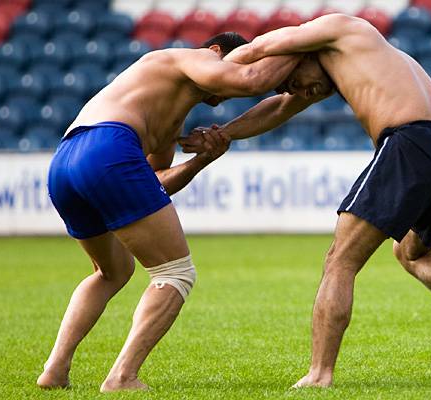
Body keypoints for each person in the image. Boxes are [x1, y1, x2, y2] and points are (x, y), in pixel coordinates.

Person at [179, 14, 431, 388]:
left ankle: (319, 373)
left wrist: (203, 76)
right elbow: (278, 108)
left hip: (409, 143)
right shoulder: (359, 58)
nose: (302, 92)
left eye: (295, 82)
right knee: (410, 252)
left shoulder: (339, 28)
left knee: (339, 261)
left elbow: (258, 47)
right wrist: (222, 134)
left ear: (302, 54)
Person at [37, 32, 301, 392]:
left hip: (66, 160)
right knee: (175, 273)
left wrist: (200, 161)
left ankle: (55, 369)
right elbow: (252, 81)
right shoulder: (190, 59)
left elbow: (154, 182)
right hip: (110, 147)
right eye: (241, 59)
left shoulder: (167, 108)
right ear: (216, 52)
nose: (224, 94)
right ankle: (121, 377)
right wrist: (302, 46)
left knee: (112, 271)